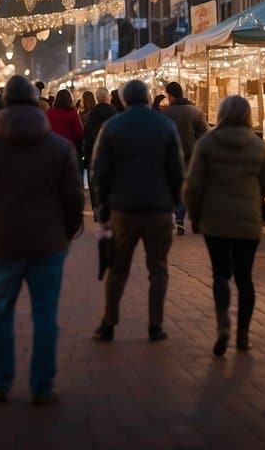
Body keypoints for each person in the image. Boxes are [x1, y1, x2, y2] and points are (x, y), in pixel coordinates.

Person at [0, 76, 83, 404]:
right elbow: (73, 198)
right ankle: (42, 385)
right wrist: (68, 231)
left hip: (1, 242)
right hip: (48, 243)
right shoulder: (58, 148)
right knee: (45, 315)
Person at [90, 79, 184, 343]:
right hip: (158, 207)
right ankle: (155, 324)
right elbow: (176, 169)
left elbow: (100, 170)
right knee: (158, 268)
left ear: (123, 99)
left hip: (123, 207)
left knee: (118, 267)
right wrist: (176, 203)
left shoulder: (113, 126)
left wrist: (103, 204)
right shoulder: (164, 125)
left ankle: (108, 323)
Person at [184, 96, 265, 356]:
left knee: (220, 274)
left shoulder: (207, 143)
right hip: (248, 219)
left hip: (215, 220)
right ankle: (243, 334)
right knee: (245, 277)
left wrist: (195, 215)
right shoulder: (257, 145)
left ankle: (223, 323)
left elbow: (194, 184)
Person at [163, 82, 207, 235]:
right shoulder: (196, 111)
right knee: (190, 188)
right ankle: (188, 219)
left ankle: (179, 217)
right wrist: (194, 142)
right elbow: (204, 132)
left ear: (170, 95)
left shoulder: (166, 113)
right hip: (191, 156)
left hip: (173, 157)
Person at [81, 90, 115, 183]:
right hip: (111, 152)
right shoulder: (114, 113)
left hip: (94, 152)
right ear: (107, 97)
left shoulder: (93, 113)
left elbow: (87, 134)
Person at [46, 89, 84, 161]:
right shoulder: (72, 113)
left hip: (52, 148)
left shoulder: (50, 112)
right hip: (68, 149)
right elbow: (79, 132)